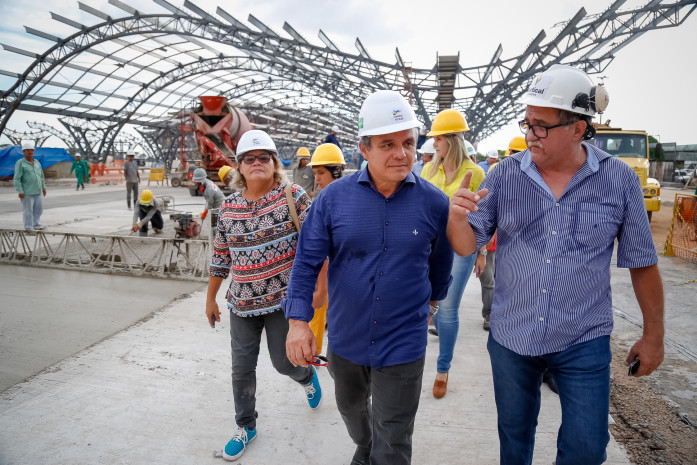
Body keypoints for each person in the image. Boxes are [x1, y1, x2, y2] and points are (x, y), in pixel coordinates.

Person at [447, 64, 664, 465]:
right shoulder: (504, 175)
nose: (530, 134)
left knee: (586, 448)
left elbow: (642, 263)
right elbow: (465, 246)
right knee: (514, 437)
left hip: (583, 338)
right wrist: (456, 218)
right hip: (513, 337)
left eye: (541, 126)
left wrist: (654, 335)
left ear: (579, 128)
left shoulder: (618, 181)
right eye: (528, 123)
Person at [283, 90, 453, 465]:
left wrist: (433, 301)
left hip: (404, 342)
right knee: (354, 416)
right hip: (348, 337)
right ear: (365, 148)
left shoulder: (434, 204)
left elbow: (441, 264)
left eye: (408, 142)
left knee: (393, 440)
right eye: (388, 144)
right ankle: (366, 448)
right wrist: (298, 322)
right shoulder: (332, 201)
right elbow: (306, 263)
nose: (402, 153)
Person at [206, 129, 322, 462]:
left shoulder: (293, 195)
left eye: (264, 158)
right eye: (249, 159)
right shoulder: (228, 209)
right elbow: (220, 257)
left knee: (284, 362)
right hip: (240, 304)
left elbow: (317, 243)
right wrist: (210, 298)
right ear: (239, 167)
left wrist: (320, 287)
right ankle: (246, 426)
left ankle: (307, 377)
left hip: (284, 302)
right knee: (241, 368)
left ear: (274, 163)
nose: (257, 163)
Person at [420, 108, 485, 399]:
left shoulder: (475, 173)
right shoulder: (428, 170)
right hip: (429, 246)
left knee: (447, 309)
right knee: (422, 302)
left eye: (439, 139)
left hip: (460, 249)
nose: (434, 144)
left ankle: (442, 368)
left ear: (453, 140)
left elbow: (482, 217)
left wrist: (480, 251)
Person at [304, 143, 347, 354]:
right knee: (319, 312)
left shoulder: (348, 199)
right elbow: (320, 250)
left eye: (321, 173)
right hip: (328, 271)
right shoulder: (322, 202)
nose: (317, 179)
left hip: (347, 273)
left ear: (337, 171)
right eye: (315, 173)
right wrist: (321, 287)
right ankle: (314, 352)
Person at [13, 140, 46, 231]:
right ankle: (28, 227)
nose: (30, 152)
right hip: (27, 192)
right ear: (24, 152)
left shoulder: (37, 162)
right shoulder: (20, 163)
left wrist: (44, 187)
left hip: (38, 191)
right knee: (28, 211)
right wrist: (20, 191)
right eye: (28, 150)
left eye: (32, 150)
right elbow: (17, 178)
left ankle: (37, 225)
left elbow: (41, 176)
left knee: (38, 210)